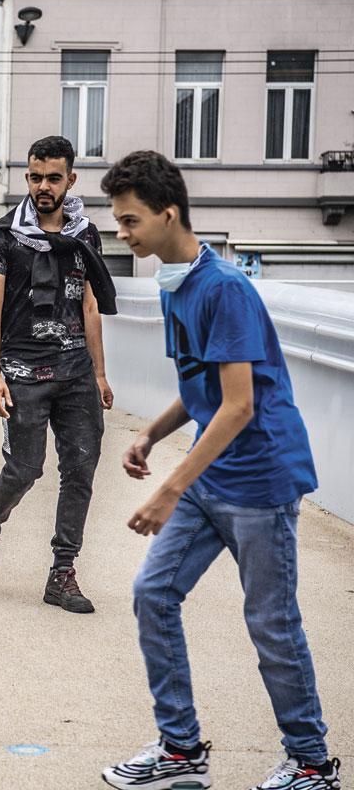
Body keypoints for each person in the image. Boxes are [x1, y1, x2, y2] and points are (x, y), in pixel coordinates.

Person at [100, 151, 340, 790]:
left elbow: (239, 406)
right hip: (214, 480)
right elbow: (202, 384)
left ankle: (311, 764)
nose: (122, 234)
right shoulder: (178, 283)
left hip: (259, 482)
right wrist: (151, 433)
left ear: (167, 213)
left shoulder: (225, 289)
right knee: (154, 593)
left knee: (270, 622)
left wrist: (168, 490)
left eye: (129, 222)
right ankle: (181, 750)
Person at [0, 135, 117, 613]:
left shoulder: (85, 234)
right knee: (26, 467)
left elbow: (89, 304)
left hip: (75, 373)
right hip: (22, 370)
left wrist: (101, 373)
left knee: (82, 468)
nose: (43, 186)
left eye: (53, 178)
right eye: (35, 177)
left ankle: (62, 573)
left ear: (71, 179)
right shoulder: (1, 239)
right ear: (25, 177)